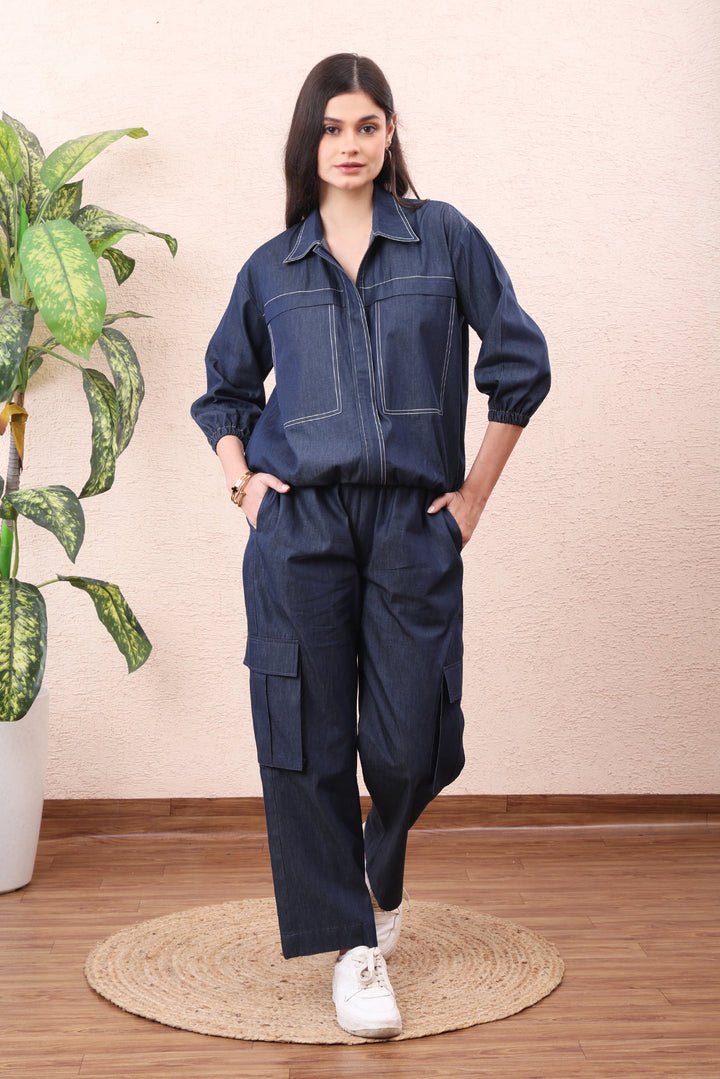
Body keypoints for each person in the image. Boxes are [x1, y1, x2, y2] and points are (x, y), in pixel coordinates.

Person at [191, 52, 550, 1039]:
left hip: (409, 523)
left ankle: (374, 871)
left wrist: (473, 495)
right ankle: (353, 952)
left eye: (368, 125)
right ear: (308, 141)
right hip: (299, 528)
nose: (349, 145)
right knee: (304, 737)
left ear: (390, 135)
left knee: (411, 738)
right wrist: (244, 485)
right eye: (332, 127)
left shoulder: (444, 240)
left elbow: (519, 367)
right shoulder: (274, 266)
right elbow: (224, 390)